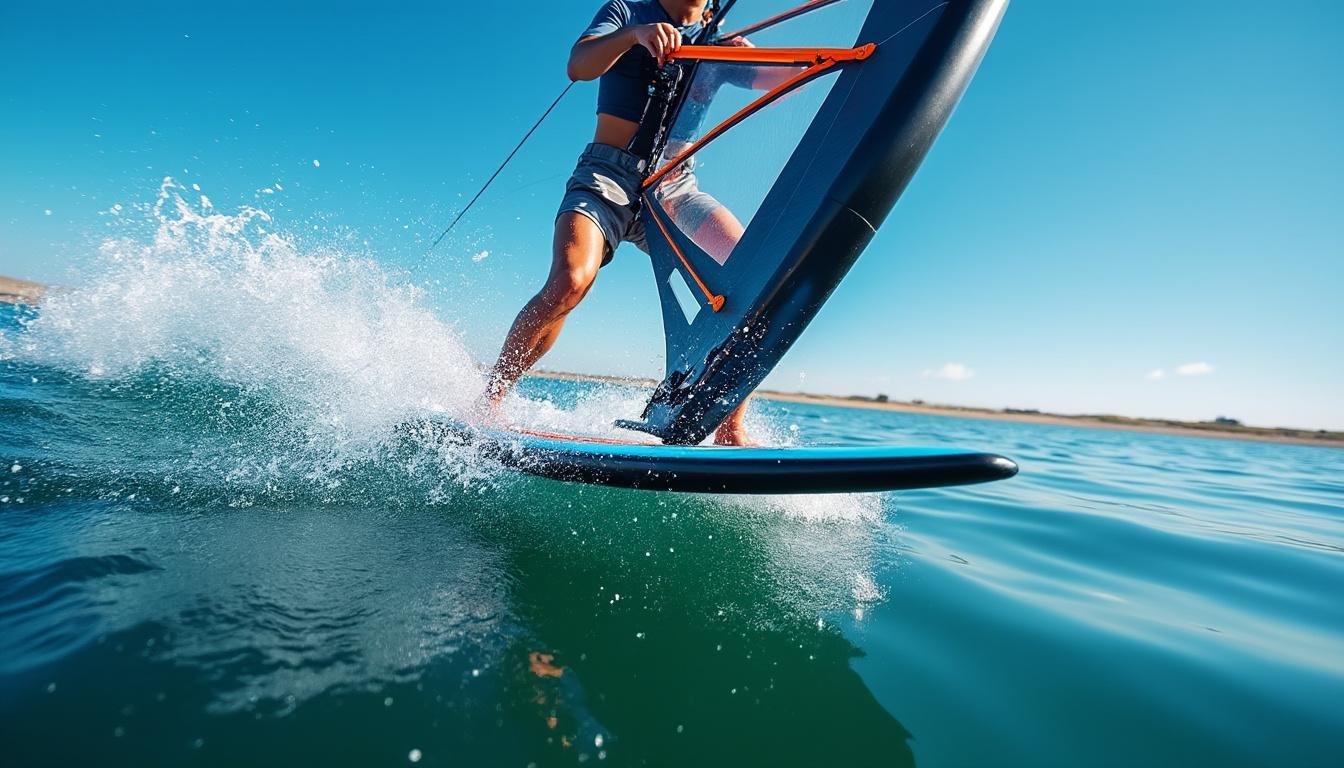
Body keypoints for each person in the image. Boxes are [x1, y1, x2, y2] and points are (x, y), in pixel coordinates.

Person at [483, 0, 758, 446]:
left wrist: (752, 54)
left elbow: (786, 79)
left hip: (675, 189)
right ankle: (490, 402)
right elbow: (578, 64)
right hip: (607, 175)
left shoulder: (717, 40)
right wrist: (633, 35)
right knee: (570, 280)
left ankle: (729, 430)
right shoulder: (628, 10)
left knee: (752, 274)